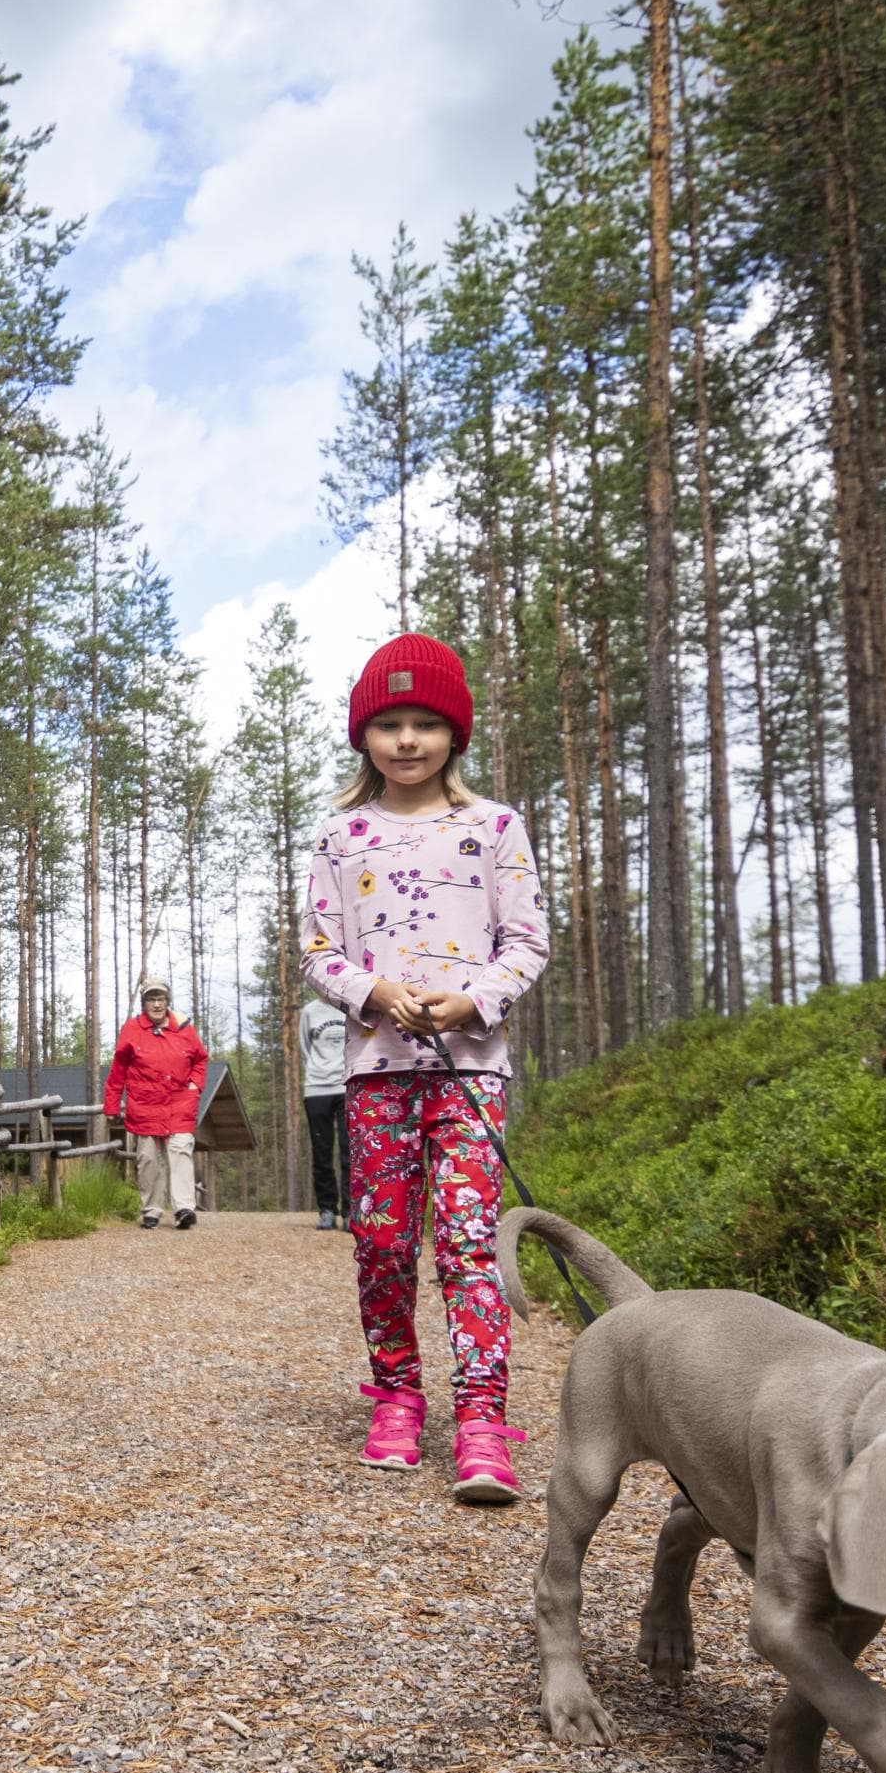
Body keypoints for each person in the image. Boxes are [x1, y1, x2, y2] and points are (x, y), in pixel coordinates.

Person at [300, 633, 551, 1504]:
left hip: (470, 1073)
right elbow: (318, 953)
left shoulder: (494, 828)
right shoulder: (341, 837)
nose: (407, 741)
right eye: (390, 724)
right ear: (363, 736)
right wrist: (375, 992)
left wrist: (473, 1001)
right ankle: (398, 1397)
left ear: (456, 734)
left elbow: (527, 942)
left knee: (468, 1243)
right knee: (381, 1244)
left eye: (427, 724)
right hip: (374, 1074)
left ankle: (483, 1418)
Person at [107, 975, 206, 1231]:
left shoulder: (183, 1028)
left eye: (161, 998)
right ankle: (152, 1209)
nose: (157, 1004)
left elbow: (200, 1059)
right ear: (144, 1003)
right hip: (145, 1103)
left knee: (181, 1150)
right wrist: (111, 1104)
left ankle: (184, 1208)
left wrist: (195, 1085)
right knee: (149, 1158)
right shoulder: (131, 1029)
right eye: (152, 999)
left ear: (167, 1001)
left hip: (179, 1102)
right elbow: (118, 1069)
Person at [299, 996, 348, 1228]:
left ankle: (351, 1211)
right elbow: (305, 1049)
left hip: (347, 1085)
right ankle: (327, 1209)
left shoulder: (351, 1007)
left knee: (351, 1151)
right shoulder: (310, 1011)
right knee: (322, 1151)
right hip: (317, 1088)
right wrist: (319, 1070)